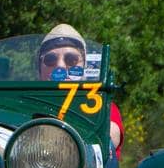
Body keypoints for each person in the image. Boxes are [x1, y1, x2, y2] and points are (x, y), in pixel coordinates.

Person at [39, 23, 123, 156]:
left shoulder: (101, 106)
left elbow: (108, 138)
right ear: (40, 69)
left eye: (71, 59)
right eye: (50, 60)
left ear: (84, 66)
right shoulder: (22, 103)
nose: (60, 66)